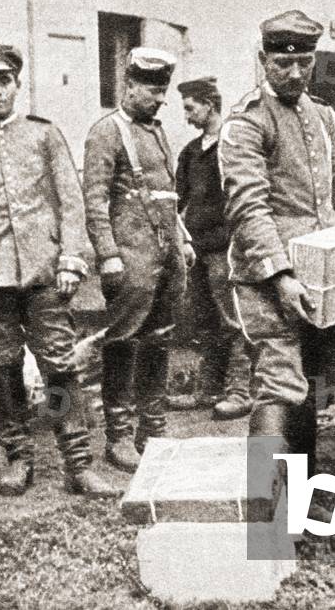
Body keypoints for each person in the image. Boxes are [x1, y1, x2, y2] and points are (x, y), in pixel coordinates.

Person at [0, 41, 117, 497]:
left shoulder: (44, 134)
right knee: (2, 366)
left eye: (4, 82)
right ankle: (19, 458)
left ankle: (78, 463)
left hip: (43, 273)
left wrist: (72, 259)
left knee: (58, 365)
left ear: (17, 84)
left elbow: (71, 201)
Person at [219, 10, 335, 468]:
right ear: (263, 60)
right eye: (282, 63)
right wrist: (282, 276)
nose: (294, 73)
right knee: (278, 384)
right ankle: (265, 509)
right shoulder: (246, 123)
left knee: (317, 383)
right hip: (269, 281)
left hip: (326, 274)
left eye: (304, 63)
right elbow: (248, 208)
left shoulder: (324, 117)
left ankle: (301, 492)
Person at [83, 47, 194, 472]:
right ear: (128, 86)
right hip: (130, 256)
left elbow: (166, 194)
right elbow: (94, 201)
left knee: (160, 337)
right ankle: (118, 436)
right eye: (151, 90)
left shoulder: (158, 132)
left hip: (166, 255)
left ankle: (154, 430)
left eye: (163, 90)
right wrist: (108, 254)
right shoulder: (106, 132)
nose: (159, 98)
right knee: (123, 341)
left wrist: (181, 240)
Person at [175, 76, 254, 419]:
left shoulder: (234, 146)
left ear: (210, 104)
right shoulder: (190, 152)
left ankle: (240, 391)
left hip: (227, 248)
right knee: (204, 320)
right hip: (198, 250)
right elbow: (178, 201)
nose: (187, 116)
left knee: (232, 320)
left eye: (191, 108)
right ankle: (207, 389)